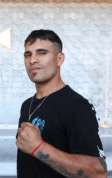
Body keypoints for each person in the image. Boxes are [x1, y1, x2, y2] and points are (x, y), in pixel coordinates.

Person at [16, 29, 107, 178]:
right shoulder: (27, 105)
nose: (32, 60)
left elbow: (98, 171)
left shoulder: (76, 106)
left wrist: (38, 147)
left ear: (60, 59)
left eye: (42, 53)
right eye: (28, 54)